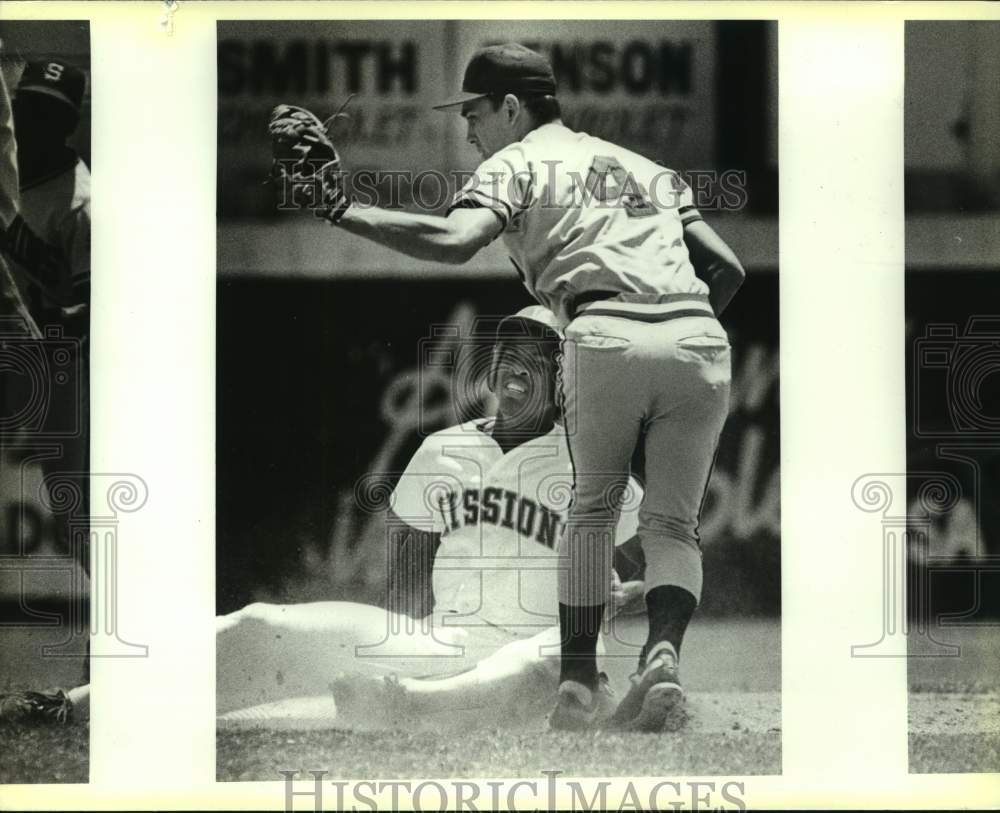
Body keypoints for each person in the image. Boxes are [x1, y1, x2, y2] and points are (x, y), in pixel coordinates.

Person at [270, 43, 744, 731]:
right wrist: (673, 333)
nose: (468, 129)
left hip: (603, 324)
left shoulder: (518, 160)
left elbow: (457, 240)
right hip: (699, 334)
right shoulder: (649, 168)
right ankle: (662, 654)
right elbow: (727, 268)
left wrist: (344, 209)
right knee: (673, 526)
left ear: (513, 107)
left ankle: (578, 686)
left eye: (475, 112)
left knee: (589, 514)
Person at [0, 307, 644, 728]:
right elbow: (410, 563)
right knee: (259, 623)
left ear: (562, 376)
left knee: (551, 652)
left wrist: (622, 593)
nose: (513, 363)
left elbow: (651, 565)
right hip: (442, 641)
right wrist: (400, 633)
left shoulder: (593, 463)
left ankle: (411, 707)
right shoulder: (444, 450)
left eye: (535, 353)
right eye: (505, 348)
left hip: (544, 649)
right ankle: (70, 706)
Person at [0, 59, 91, 576]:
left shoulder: (82, 206)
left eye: (47, 112)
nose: (33, 121)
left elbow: (86, 314)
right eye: (26, 106)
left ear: (67, 124)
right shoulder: (9, 175)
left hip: (49, 367)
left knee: (71, 509)